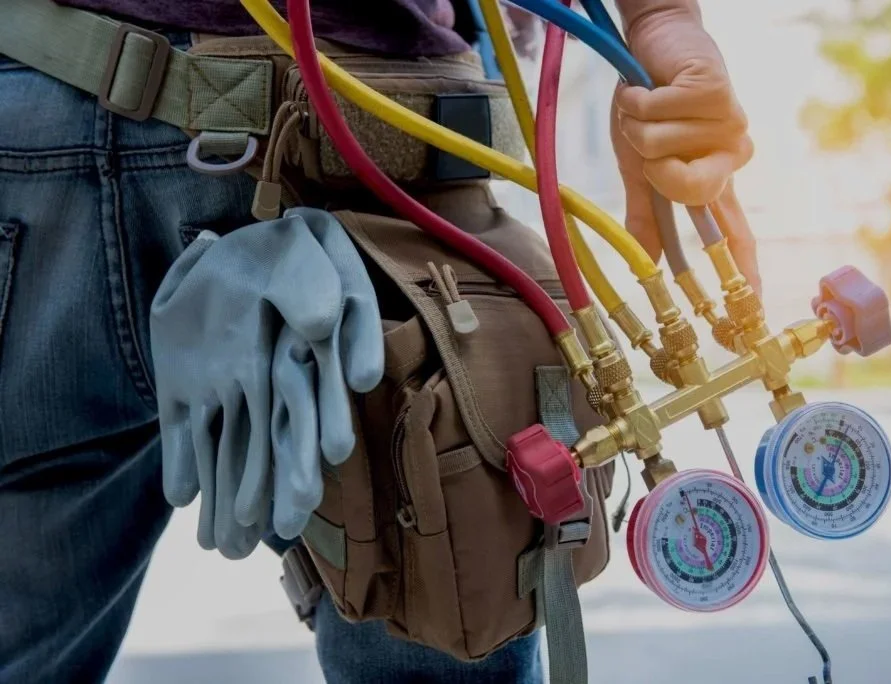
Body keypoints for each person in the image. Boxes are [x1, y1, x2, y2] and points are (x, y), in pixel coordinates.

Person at [0, 1, 755, 682]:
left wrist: (664, 25)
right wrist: (661, 21)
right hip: (363, 144)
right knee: (448, 612)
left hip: (49, 117)